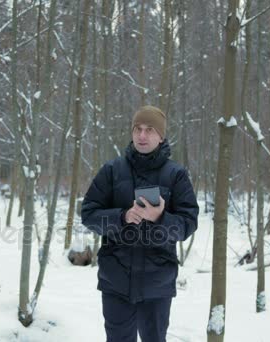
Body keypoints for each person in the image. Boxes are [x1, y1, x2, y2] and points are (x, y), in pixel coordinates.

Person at [81, 105, 199, 342]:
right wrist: (122, 217)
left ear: (161, 136)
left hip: (157, 284)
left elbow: (188, 224)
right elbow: (89, 215)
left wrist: (159, 218)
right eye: (138, 129)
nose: (142, 135)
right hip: (116, 281)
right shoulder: (112, 170)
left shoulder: (176, 175)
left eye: (149, 130)